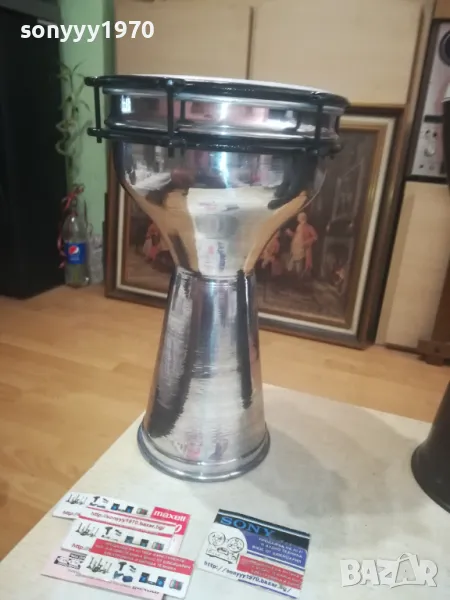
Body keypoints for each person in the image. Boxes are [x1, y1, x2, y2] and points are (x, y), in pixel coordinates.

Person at [286, 212, 318, 277]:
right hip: (296, 249)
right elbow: (296, 236)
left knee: (302, 265)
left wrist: (307, 242)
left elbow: (315, 237)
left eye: (300, 218)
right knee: (294, 265)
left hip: (304, 249)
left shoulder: (309, 227)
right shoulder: (299, 226)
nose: (298, 219)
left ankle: (302, 277)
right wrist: (290, 233)